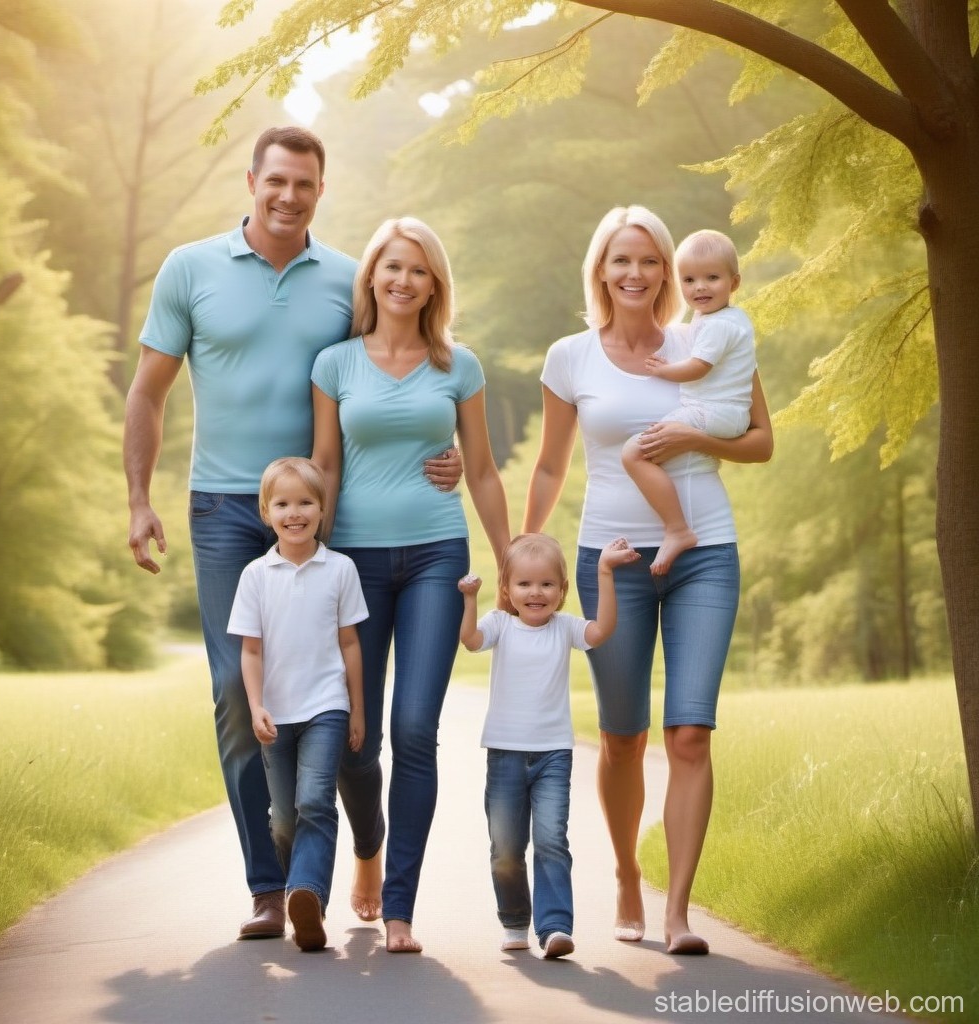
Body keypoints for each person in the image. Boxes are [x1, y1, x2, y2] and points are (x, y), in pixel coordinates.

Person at [123, 126, 461, 940]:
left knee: (335, 703)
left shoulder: (349, 281)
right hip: (222, 512)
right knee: (240, 695)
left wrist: (439, 449)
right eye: (275, 181)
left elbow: (393, 373)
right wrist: (139, 499)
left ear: (320, 189)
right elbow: (146, 393)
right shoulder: (190, 269)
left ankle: (362, 842)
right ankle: (268, 886)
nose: (288, 196)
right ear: (251, 180)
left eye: (304, 184)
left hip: (325, 514)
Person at [523, 205, 773, 956]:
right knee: (623, 736)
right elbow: (549, 462)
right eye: (621, 260)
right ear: (600, 269)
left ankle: (678, 912)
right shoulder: (570, 356)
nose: (636, 273)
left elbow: (761, 440)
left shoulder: (712, 334)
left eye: (651, 261)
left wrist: (698, 436)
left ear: (670, 271)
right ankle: (630, 875)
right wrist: (529, 545)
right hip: (613, 560)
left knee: (690, 733)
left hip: (706, 552)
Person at [311, 216, 511, 953]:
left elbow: (481, 468)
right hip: (355, 563)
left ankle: (400, 908)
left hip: (435, 555)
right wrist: (312, 563)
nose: (403, 280)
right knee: (355, 744)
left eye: (419, 270)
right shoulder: (335, 365)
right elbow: (325, 464)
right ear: (372, 276)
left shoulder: (459, 365)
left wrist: (511, 557)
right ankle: (368, 850)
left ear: (435, 285)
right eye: (391, 266)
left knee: (415, 732)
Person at [458, 534, 638, 960]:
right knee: (505, 847)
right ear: (507, 590)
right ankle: (515, 918)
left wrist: (606, 572)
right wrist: (469, 598)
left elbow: (604, 629)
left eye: (545, 585)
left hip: (554, 754)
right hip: (505, 753)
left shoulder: (567, 628)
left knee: (552, 839)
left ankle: (556, 926)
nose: (535, 593)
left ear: (561, 591)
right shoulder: (501, 625)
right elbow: (469, 640)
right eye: (524, 584)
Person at [227, 457, 368, 951]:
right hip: (276, 713)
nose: (295, 512)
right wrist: (255, 705)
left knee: (314, 802)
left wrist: (357, 709)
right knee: (283, 816)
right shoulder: (255, 575)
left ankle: (308, 895)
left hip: (327, 705)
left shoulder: (341, 569)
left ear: (322, 509)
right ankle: (299, 892)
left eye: (305, 502)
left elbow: (350, 644)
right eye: (282, 503)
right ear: (266, 512)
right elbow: (250, 650)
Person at [621, 228, 757, 575]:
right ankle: (676, 525)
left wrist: (665, 370)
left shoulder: (717, 326)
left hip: (713, 412)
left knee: (634, 453)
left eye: (712, 278)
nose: (700, 287)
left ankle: (678, 529)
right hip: (723, 412)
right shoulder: (721, 319)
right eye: (690, 279)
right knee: (651, 449)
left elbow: (698, 367)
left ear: (734, 282)